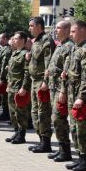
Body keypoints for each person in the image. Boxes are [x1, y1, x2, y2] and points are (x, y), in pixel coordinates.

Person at [60, 20, 86, 171]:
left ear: (82, 31)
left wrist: (81, 96)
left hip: (81, 96)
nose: (71, 34)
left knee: (82, 130)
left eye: (73, 31)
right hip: (71, 93)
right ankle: (80, 158)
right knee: (74, 128)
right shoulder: (75, 48)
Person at [45, 20, 74, 162]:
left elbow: (66, 71)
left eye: (58, 28)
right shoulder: (60, 45)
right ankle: (62, 149)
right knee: (56, 119)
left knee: (58, 119)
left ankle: (66, 150)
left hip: (61, 88)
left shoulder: (69, 46)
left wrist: (63, 90)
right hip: (53, 87)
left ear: (67, 30)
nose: (55, 30)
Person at [27, 17, 56, 153]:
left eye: (31, 26)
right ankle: (41, 140)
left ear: (39, 26)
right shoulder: (36, 41)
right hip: (34, 81)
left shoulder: (46, 40)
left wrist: (45, 81)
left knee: (43, 112)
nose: (29, 28)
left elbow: (48, 63)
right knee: (35, 112)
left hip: (41, 82)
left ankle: (46, 142)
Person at [5, 31, 31, 144]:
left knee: (21, 112)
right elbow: (11, 71)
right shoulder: (15, 53)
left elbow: (27, 72)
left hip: (19, 88)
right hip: (12, 86)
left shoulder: (25, 54)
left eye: (15, 38)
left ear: (22, 40)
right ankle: (16, 132)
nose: (13, 40)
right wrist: (8, 84)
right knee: (12, 112)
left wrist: (24, 87)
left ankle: (21, 135)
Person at [0, 33, 12, 122]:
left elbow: (3, 65)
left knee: (5, 97)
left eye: (0, 39)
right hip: (3, 76)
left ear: (5, 39)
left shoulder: (7, 50)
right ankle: (5, 113)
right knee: (3, 97)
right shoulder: (3, 49)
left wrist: (1, 78)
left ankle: (6, 114)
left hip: (5, 77)